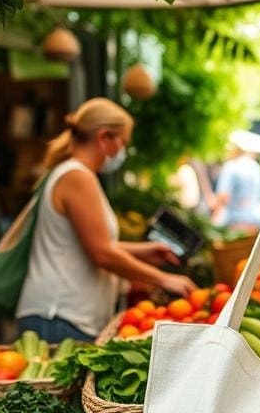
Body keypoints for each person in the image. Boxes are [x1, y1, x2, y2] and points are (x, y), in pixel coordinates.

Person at [16, 98, 197, 343]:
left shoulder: (77, 175)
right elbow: (101, 253)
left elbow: (87, 243)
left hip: (65, 317)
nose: (123, 151)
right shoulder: (77, 177)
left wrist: (142, 251)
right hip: (58, 316)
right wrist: (163, 278)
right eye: (123, 143)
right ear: (104, 138)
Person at [214, 143, 260, 232]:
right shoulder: (256, 168)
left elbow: (223, 197)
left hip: (232, 221)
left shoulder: (231, 166)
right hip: (253, 221)